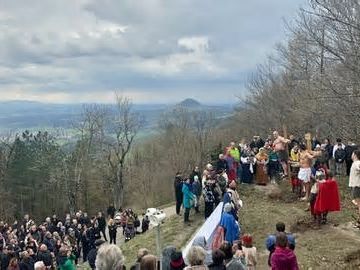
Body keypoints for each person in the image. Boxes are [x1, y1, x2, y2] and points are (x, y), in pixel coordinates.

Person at [350, 150, 360, 228]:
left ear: (355, 155)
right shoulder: (355, 163)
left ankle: (359, 222)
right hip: (355, 185)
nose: (351, 155)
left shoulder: (357, 163)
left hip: (357, 186)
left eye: (352, 154)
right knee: (356, 202)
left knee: (358, 203)